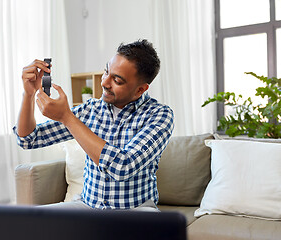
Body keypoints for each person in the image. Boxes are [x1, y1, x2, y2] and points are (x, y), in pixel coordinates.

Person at [13, 39, 174, 211]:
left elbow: (122, 167)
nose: (104, 82)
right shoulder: (91, 110)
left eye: (117, 81)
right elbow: (29, 139)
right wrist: (28, 94)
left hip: (136, 210)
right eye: (106, 72)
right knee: (31, 223)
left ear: (140, 90)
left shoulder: (159, 115)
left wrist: (67, 117)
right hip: (88, 205)